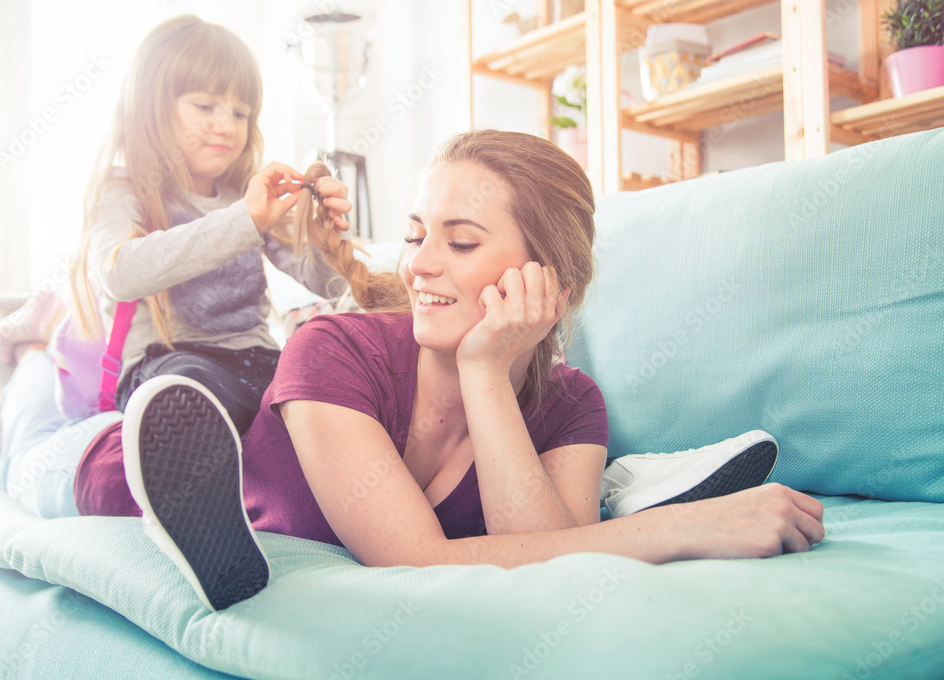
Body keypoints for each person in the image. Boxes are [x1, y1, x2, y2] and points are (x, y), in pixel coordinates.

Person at [67, 129, 822, 612]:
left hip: (517, 369)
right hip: (110, 468)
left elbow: (546, 556)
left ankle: (631, 484)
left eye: (460, 242)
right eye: (417, 233)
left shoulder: (570, 402)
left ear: (550, 284)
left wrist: (488, 374)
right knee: (49, 449)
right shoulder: (333, 347)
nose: (419, 263)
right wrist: (679, 529)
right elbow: (416, 561)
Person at [0, 14, 352, 517]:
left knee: (308, 379)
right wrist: (243, 220)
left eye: (240, 112)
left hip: (252, 363)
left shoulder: (247, 196)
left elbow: (332, 284)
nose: (225, 124)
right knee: (187, 389)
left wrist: (329, 238)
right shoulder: (126, 191)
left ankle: (258, 501)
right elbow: (119, 273)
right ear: (152, 107)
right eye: (205, 105)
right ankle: (188, 495)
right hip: (169, 365)